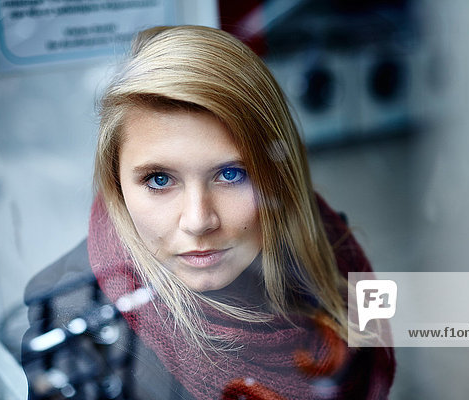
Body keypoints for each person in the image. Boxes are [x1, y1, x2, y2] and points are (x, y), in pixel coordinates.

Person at [21, 25, 395, 399]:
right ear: (116, 183)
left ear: (280, 178)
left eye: (231, 174)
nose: (199, 221)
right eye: (159, 180)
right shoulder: (73, 326)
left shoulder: (328, 245)